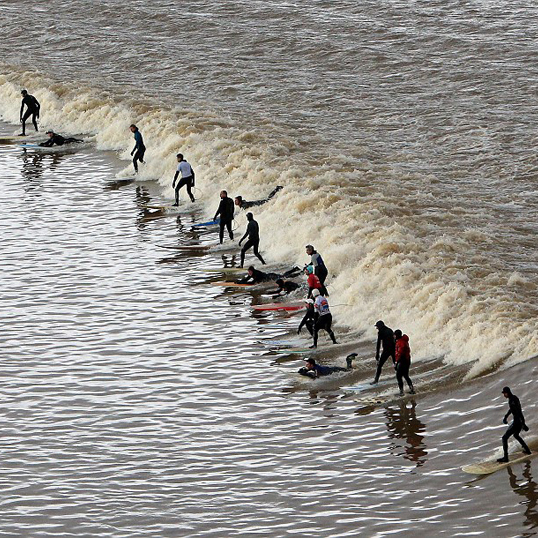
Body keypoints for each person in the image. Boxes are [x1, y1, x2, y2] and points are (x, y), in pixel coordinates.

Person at [497, 386, 531, 463]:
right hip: (519, 420)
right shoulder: (514, 398)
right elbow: (514, 409)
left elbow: (518, 411)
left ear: (507, 393)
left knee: (504, 438)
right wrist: (506, 416)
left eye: (504, 393)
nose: (504, 395)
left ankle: (506, 458)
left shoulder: (511, 400)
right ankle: (527, 450)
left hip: (517, 422)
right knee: (516, 435)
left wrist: (522, 423)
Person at [372, 320, 395, 384]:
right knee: (395, 364)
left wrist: (377, 354)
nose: (377, 328)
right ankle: (401, 376)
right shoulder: (390, 330)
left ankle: (376, 380)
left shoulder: (381, 332)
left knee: (379, 365)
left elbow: (378, 343)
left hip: (387, 350)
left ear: (380, 326)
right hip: (393, 349)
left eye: (377, 327)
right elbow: (395, 340)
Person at [394, 330, 415, 396]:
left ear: (397, 335)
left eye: (394, 335)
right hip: (407, 360)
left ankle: (401, 392)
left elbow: (400, 353)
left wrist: (397, 363)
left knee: (398, 376)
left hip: (403, 361)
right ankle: (412, 389)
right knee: (405, 375)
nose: (393, 336)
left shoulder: (401, 343)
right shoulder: (403, 341)